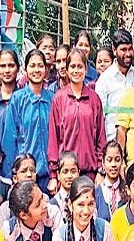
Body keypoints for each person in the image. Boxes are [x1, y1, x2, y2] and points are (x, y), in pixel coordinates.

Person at [48, 48, 106, 182]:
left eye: (80, 66)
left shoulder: (94, 99)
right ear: (67, 70)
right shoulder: (59, 98)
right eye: (72, 66)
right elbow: (53, 138)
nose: (76, 71)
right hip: (67, 173)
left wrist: (100, 170)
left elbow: (100, 137)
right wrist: (53, 174)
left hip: (90, 173)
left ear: (86, 69)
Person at [2, 50, 53, 193]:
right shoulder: (17, 99)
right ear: (25, 69)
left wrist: (55, 173)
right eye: (32, 66)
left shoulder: (53, 99)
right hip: (25, 175)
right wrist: (11, 176)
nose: (36, 70)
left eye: (40, 66)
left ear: (46, 69)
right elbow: (9, 141)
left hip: (49, 176)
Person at [94, 29, 134, 141]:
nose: (128, 54)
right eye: (123, 50)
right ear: (114, 50)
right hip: (113, 142)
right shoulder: (104, 80)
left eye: (130, 49)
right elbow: (99, 117)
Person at [94, 140, 125, 222]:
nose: (113, 164)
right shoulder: (96, 193)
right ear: (103, 163)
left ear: (122, 162)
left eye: (117, 160)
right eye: (109, 160)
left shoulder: (127, 191)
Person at [0, 49, 19, 175]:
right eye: (2, 66)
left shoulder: (23, 99)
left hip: (20, 167)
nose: (7, 70)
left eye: (11, 65)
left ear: (18, 68)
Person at [49, 151, 80, 215]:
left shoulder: (83, 200)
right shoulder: (52, 205)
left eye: (73, 171)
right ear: (58, 174)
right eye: (65, 172)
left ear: (78, 173)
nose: (69, 176)